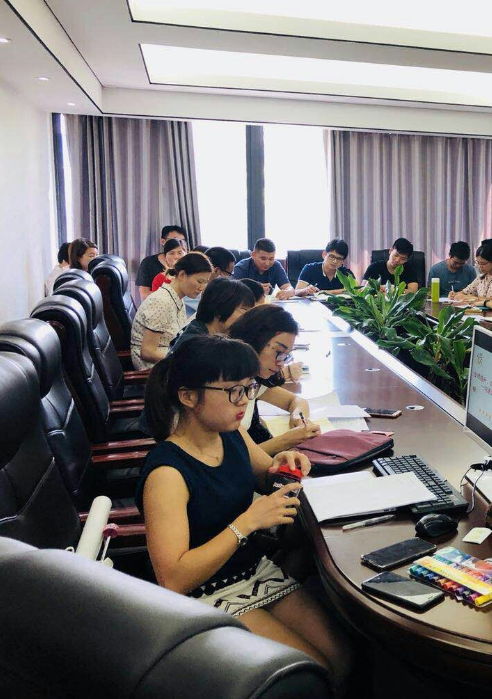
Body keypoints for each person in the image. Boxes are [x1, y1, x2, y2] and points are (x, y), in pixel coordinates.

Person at [136, 337, 352, 691]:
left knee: (342, 658)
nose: (244, 401)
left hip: (252, 570)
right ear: (188, 397)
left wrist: (284, 465)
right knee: (311, 674)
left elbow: (265, 474)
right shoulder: (167, 473)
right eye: (233, 391)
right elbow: (173, 578)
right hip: (203, 594)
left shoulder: (230, 432)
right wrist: (247, 522)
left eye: (248, 388)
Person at [227, 306, 320, 455]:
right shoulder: (224, 385)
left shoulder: (252, 379)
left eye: (286, 356)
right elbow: (238, 458)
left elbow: (295, 401)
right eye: (279, 352)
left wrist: (297, 417)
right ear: (255, 339)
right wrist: (288, 439)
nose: (281, 363)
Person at [131, 253, 212, 370]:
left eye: (206, 282)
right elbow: (148, 351)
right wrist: (185, 358)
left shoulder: (176, 297)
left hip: (170, 356)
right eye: (200, 281)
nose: (202, 287)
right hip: (154, 369)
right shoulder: (162, 301)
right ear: (182, 274)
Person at [170, 278, 257, 352]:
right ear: (220, 308)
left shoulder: (210, 335)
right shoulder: (197, 345)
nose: (249, 316)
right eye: (244, 310)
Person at [137, 225, 187, 302]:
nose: (178, 243)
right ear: (163, 241)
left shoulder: (190, 265)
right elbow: (144, 294)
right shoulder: (148, 263)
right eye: (174, 240)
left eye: (182, 241)